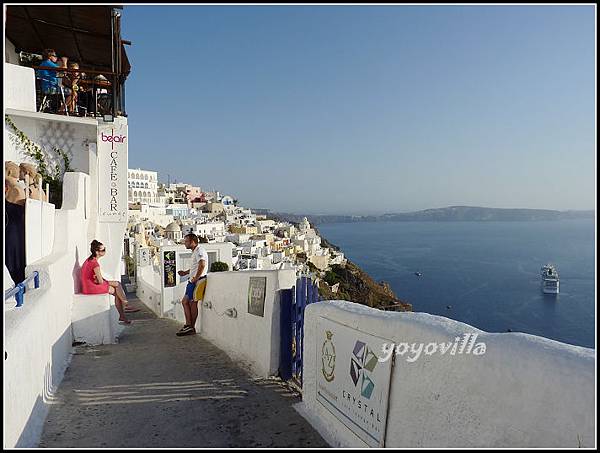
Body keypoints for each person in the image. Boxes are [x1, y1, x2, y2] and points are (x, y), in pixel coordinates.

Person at [80, 240, 139, 325]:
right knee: (117, 287)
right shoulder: (95, 264)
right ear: (97, 252)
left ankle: (124, 313)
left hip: (88, 286)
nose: (105, 251)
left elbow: (97, 278)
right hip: (92, 287)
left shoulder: (89, 260)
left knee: (117, 286)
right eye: (103, 250)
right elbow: (100, 281)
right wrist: (107, 282)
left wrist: (104, 281)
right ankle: (125, 307)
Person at [176, 233, 208, 336]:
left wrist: (196, 278)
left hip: (196, 282)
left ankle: (190, 326)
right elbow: (196, 266)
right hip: (192, 281)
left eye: (186, 241)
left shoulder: (199, 250)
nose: (185, 243)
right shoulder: (195, 252)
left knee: (189, 302)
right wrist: (186, 273)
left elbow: (202, 264)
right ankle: (189, 326)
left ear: (192, 242)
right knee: (187, 302)